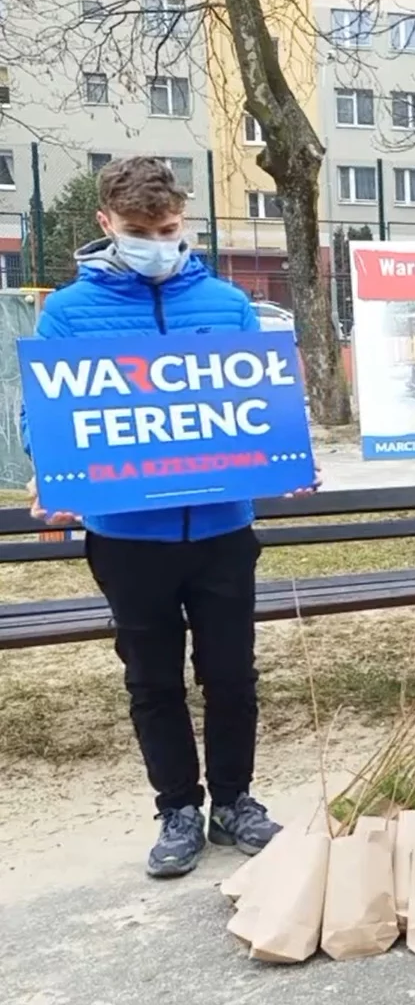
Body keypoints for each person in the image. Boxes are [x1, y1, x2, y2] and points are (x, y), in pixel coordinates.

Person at [21, 156, 286, 879]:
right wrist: (50, 469)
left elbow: (262, 409)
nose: (158, 243)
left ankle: (235, 801)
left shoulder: (228, 305)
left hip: (223, 529)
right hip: (128, 537)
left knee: (232, 675)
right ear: (107, 223)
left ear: (185, 221)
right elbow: (40, 417)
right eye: (141, 231)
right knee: (152, 679)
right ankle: (176, 808)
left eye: (169, 229)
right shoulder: (68, 313)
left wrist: (284, 460)